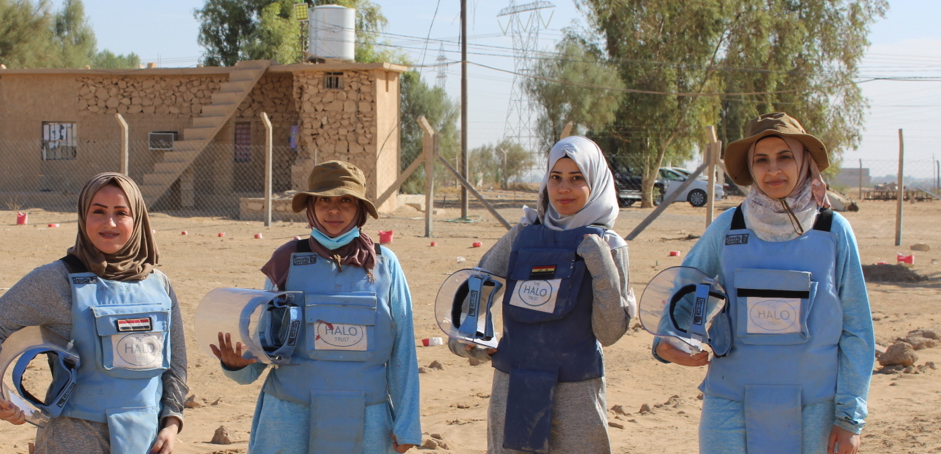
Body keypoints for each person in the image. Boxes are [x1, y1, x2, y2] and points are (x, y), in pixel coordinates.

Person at [653, 112, 873, 454]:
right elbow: (687, 289)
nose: (773, 170)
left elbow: (857, 331)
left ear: (806, 162)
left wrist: (849, 419)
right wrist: (669, 340)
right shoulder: (729, 227)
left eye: (785, 157)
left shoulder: (833, 231)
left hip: (814, 406)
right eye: (761, 160)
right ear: (750, 169)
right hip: (730, 401)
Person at [211, 160, 422, 454]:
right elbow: (263, 348)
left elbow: (403, 350)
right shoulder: (286, 259)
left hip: (368, 418)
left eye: (345, 200)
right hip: (289, 416)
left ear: (360, 209)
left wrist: (408, 423)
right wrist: (235, 366)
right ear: (311, 206)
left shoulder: (386, 265)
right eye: (324, 200)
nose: (333, 210)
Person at [0, 173, 187, 454]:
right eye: (98, 212)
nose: (109, 223)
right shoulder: (56, 280)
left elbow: (175, 365)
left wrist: (171, 424)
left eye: (121, 213)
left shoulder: (159, 285)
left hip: (146, 440)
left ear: (138, 220)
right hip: (73, 439)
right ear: (83, 217)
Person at [447, 136, 633, 454]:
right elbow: (472, 293)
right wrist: (470, 342)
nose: (563, 189)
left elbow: (610, 331)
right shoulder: (521, 236)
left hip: (577, 393)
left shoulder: (609, 246)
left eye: (577, 179)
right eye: (555, 178)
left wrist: (602, 266)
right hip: (513, 388)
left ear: (597, 184)